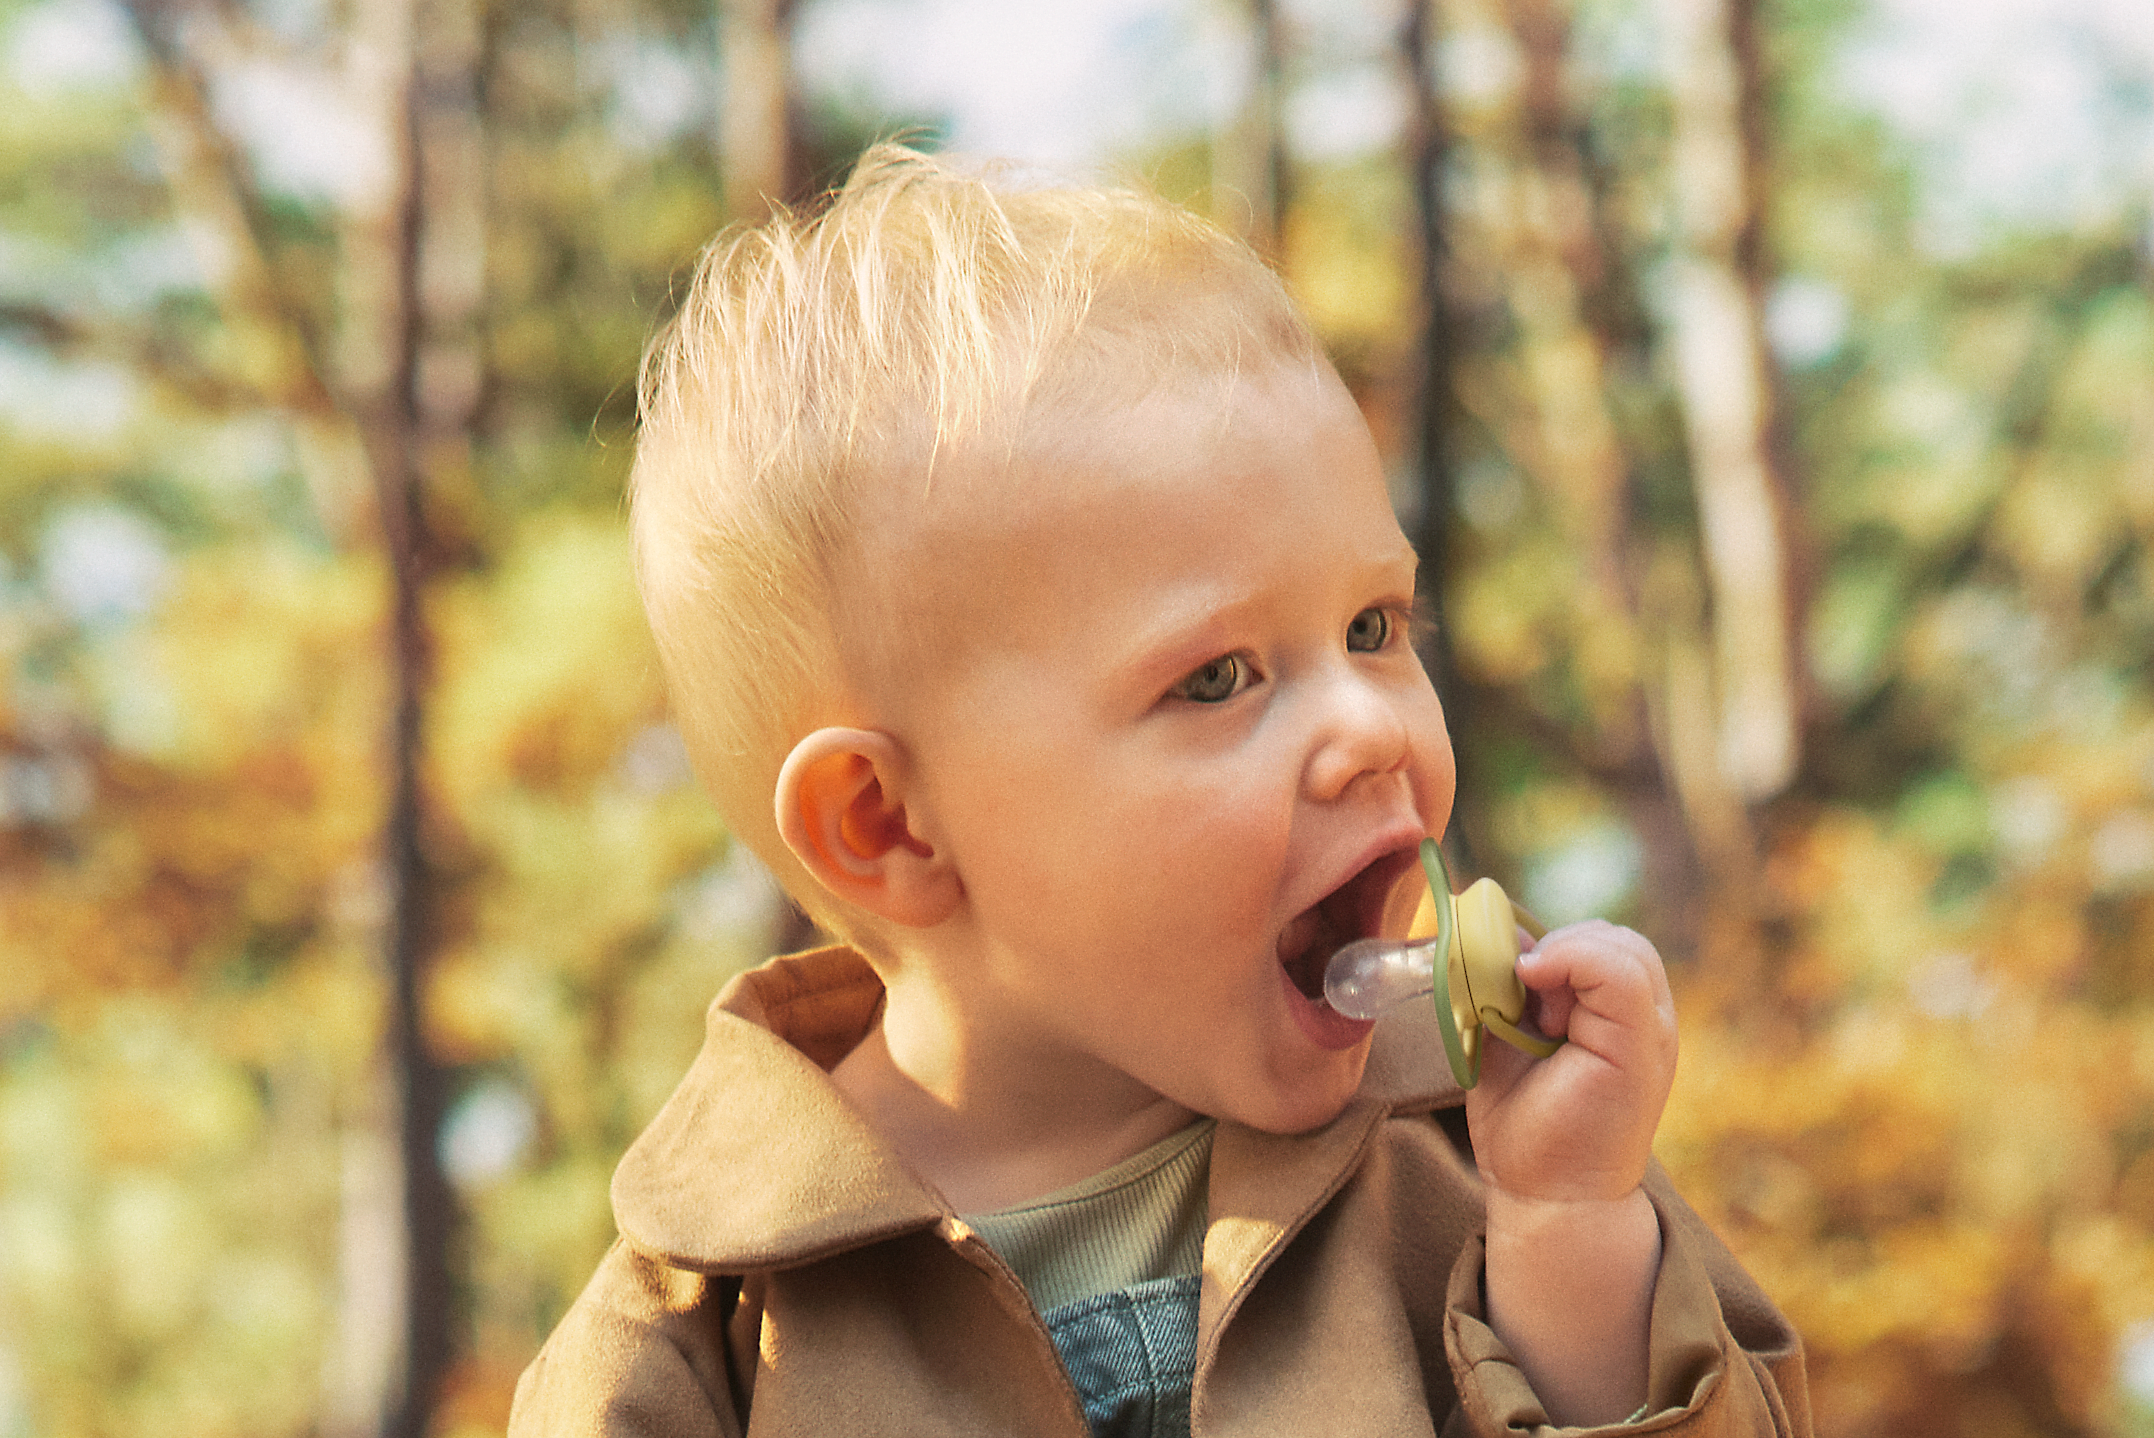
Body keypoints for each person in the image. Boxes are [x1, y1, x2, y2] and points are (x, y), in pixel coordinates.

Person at [509, 144, 1809, 1437]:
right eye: (1220, 676)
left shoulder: (1477, 1154)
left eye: (1373, 626)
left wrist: (1574, 1243)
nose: (1368, 723)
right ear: (890, 825)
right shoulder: (701, 1335)